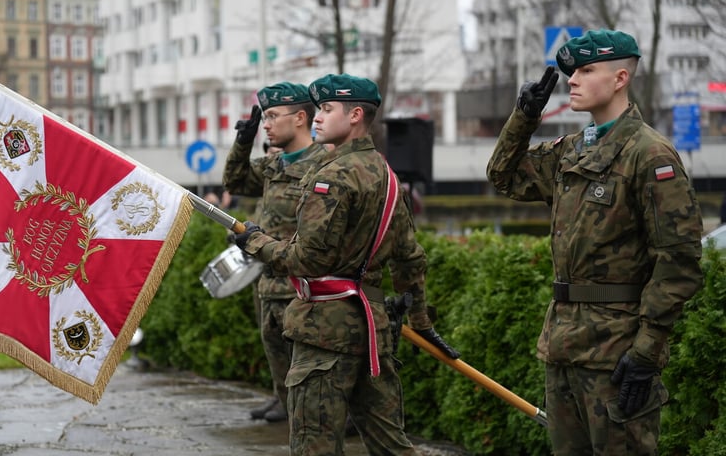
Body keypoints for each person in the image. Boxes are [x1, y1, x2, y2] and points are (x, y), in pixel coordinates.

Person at [486, 29, 703, 454]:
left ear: (620, 78)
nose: (573, 81)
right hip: (564, 344)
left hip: (616, 352)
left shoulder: (649, 154)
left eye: (587, 70)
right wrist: (524, 117)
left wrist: (645, 351)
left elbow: (678, 261)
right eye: (572, 72)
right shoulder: (574, 150)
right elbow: (504, 176)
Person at [233, 74, 459, 455]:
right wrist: (421, 320)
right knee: (391, 445)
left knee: (314, 446)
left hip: (324, 329)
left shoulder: (332, 176)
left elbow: (306, 259)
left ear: (355, 115)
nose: (317, 117)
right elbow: (409, 259)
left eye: (326, 109)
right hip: (372, 327)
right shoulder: (387, 177)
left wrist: (255, 241)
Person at [222, 81, 327, 423]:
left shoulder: (325, 164)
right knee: (280, 367)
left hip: (304, 290)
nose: (265, 124)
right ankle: (284, 407)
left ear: (300, 118)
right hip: (269, 283)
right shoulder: (275, 165)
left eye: (271, 116)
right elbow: (235, 181)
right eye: (263, 117)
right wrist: (243, 140)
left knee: (310, 385)